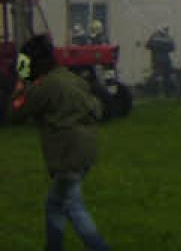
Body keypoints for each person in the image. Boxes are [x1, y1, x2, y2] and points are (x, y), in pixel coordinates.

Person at [8, 34, 110, 251]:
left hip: (67, 154)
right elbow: (97, 108)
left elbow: (16, 114)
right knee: (55, 205)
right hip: (86, 150)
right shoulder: (70, 77)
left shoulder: (45, 86)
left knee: (73, 207)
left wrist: (19, 86)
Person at [144, 27, 177, 97]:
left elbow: (147, 46)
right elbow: (172, 48)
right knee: (167, 76)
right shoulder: (168, 37)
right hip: (166, 59)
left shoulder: (154, 36)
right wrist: (164, 48)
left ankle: (155, 91)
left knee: (157, 75)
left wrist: (156, 47)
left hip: (156, 58)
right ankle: (168, 92)